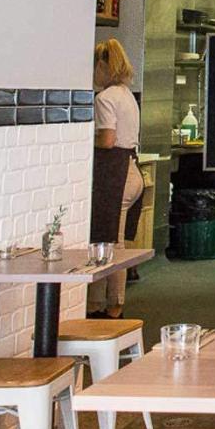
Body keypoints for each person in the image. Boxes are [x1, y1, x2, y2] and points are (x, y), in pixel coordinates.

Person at [89, 39, 144, 318]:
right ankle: (99, 303)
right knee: (109, 238)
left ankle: (113, 306)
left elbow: (108, 140)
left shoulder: (104, 98)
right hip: (133, 169)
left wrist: (86, 142)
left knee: (108, 240)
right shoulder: (127, 95)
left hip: (116, 171)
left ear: (102, 66)